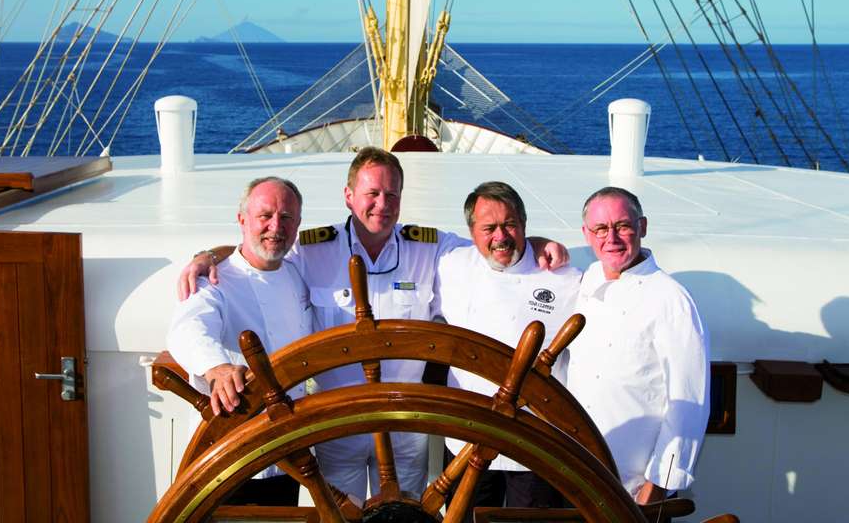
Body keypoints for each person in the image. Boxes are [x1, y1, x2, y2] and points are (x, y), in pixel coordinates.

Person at [174, 147, 571, 502]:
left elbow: (491, 246)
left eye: (391, 195)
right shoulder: (312, 249)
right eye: (372, 193)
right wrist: (208, 256)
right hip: (335, 424)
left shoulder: (429, 247)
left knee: (403, 515)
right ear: (349, 196)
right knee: (339, 514)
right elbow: (257, 254)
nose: (382, 204)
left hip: (405, 425)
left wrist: (535, 243)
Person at [434, 181, 583, 513]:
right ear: (472, 233)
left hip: (534, 444)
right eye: (489, 228)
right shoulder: (450, 265)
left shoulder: (566, 279)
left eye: (510, 224)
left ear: (524, 224)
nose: (500, 236)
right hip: (466, 436)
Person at [167, 176, 312, 506]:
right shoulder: (213, 280)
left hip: (285, 449)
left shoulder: (298, 273)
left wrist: (208, 252)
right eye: (265, 216)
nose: (276, 227)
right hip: (230, 449)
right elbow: (187, 328)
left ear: (298, 224)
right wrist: (216, 368)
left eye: (286, 217)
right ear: (242, 220)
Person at [568, 186, 709, 504]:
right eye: (601, 229)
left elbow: (688, 403)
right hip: (577, 473)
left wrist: (657, 486)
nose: (611, 238)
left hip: (634, 490)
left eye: (622, 226)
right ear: (586, 235)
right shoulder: (588, 279)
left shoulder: (671, 299)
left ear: (642, 227)